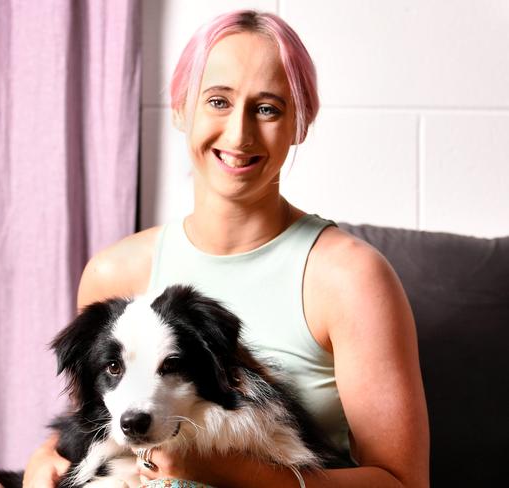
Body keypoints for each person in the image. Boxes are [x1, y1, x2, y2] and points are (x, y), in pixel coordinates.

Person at [24, 9, 429, 488]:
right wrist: (45, 458)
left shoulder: (351, 278)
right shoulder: (115, 273)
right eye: (218, 100)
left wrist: (234, 472)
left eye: (268, 108)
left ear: (301, 123)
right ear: (179, 108)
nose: (239, 134)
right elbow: (106, 423)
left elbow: (403, 483)